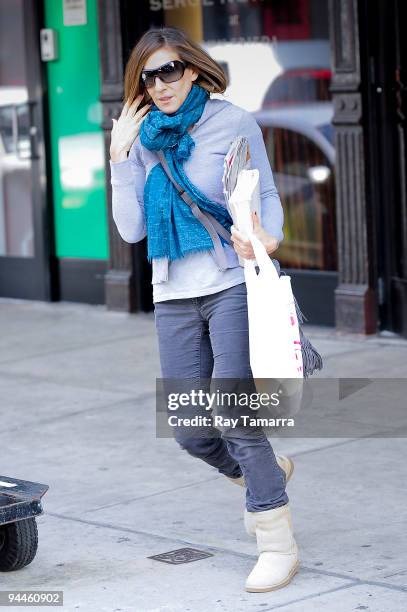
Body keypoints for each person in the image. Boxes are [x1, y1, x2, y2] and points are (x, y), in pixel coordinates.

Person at [109, 26, 299, 593]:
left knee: (232, 412)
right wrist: (120, 157)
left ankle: (276, 541)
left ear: (192, 69)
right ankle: (262, 473)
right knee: (192, 429)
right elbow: (132, 228)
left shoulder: (232, 120)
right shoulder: (141, 137)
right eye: (149, 74)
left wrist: (268, 236)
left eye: (170, 70)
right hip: (172, 291)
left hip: (229, 282)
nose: (160, 83)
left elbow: (262, 191)